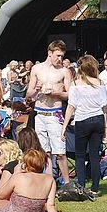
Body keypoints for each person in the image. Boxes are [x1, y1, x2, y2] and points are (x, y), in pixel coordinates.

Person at [27, 41, 74, 186]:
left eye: (62, 56)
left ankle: (67, 183)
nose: (60, 59)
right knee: (44, 152)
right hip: (40, 113)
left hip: (55, 113)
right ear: (49, 53)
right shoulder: (37, 69)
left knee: (60, 152)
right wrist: (36, 90)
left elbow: (71, 94)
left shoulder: (64, 71)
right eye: (58, 55)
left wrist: (56, 93)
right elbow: (29, 94)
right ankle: (48, 182)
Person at [62, 55, 107, 196]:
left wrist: (64, 127)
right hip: (98, 120)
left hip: (82, 120)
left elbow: (71, 107)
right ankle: (95, 188)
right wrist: (105, 127)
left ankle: (81, 186)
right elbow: (104, 107)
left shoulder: (76, 84)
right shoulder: (100, 83)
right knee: (95, 156)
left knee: (80, 156)